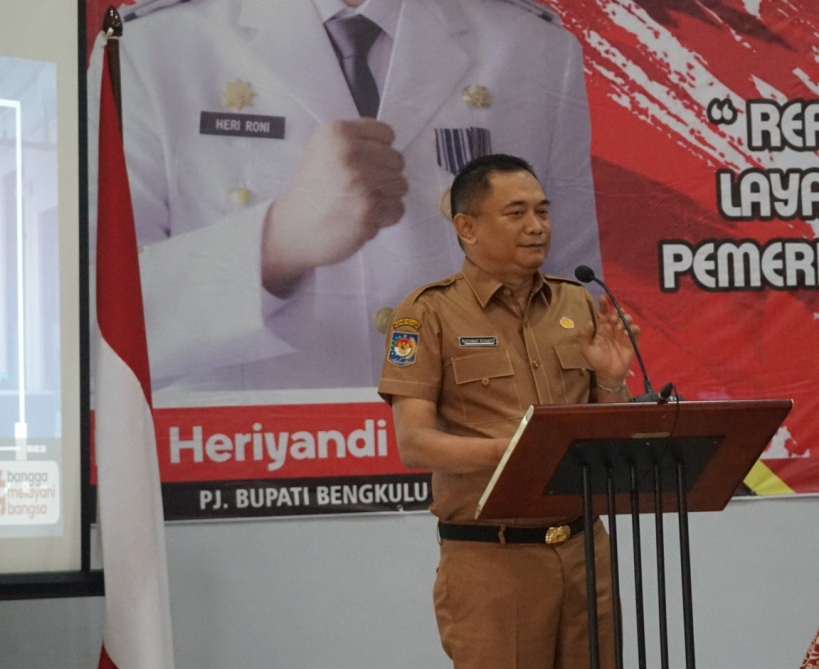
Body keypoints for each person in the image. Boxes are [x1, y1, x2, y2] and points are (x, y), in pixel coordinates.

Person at [117, 0, 601, 397]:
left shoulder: (531, 47)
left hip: (474, 445)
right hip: (246, 458)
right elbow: (106, 333)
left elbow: (573, 295)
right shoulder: (151, 48)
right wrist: (276, 243)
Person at [378, 154, 630, 669]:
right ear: (466, 227)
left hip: (583, 551)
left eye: (542, 210)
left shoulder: (576, 303)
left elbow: (606, 433)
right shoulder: (426, 313)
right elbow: (415, 444)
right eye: (515, 212)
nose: (536, 226)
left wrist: (612, 381)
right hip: (492, 559)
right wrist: (518, 449)